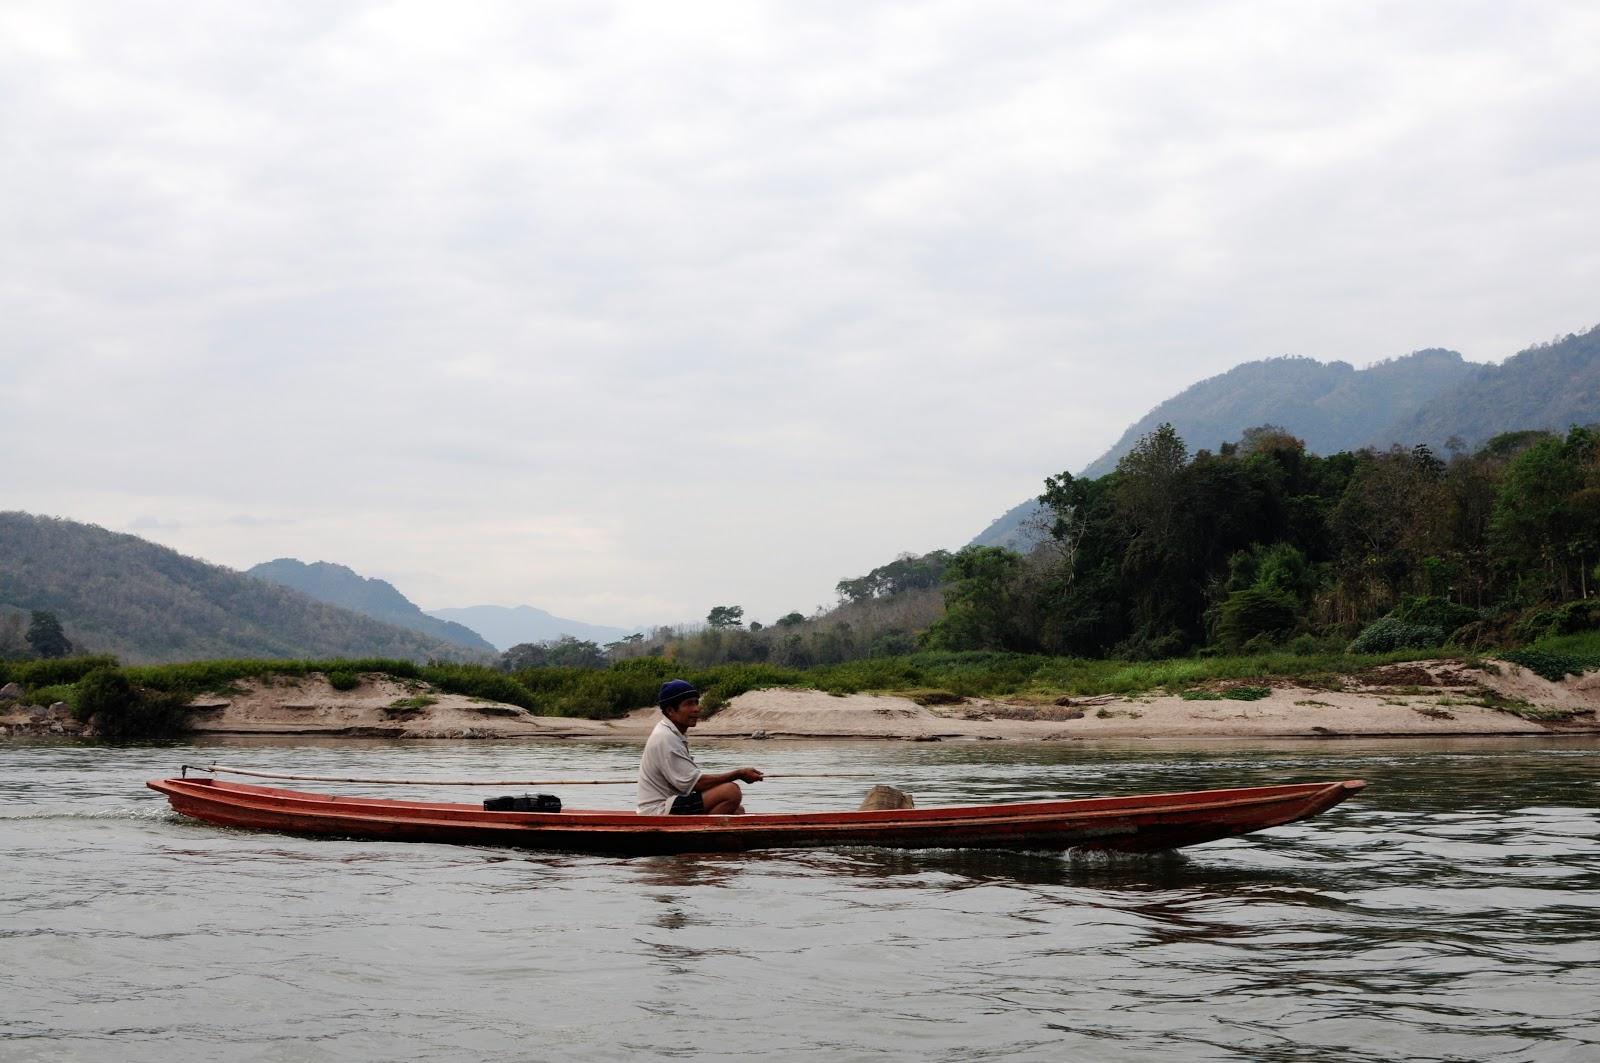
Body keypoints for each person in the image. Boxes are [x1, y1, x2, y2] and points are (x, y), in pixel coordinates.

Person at [637, 679, 764, 815]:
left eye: (696, 702)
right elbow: (697, 784)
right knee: (731, 792)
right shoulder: (665, 737)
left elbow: (693, 783)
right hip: (658, 810)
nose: (696, 709)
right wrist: (739, 774)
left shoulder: (671, 733)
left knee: (738, 810)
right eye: (689, 704)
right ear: (670, 710)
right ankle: (706, 828)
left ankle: (707, 825)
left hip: (671, 803)